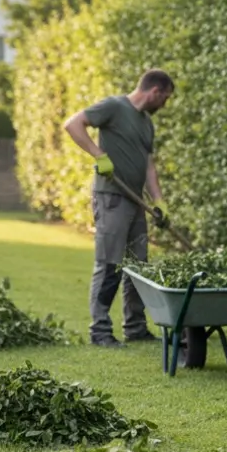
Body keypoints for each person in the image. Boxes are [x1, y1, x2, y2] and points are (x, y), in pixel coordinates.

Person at [62, 69, 175, 347]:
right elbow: (73, 124)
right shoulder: (113, 107)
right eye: (166, 99)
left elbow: (148, 165)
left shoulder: (147, 123)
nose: (165, 105)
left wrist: (158, 200)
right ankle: (100, 330)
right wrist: (99, 155)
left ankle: (135, 327)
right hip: (111, 198)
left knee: (138, 267)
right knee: (110, 263)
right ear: (155, 92)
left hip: (136, 202)